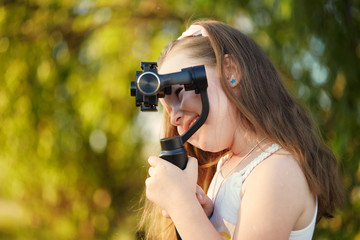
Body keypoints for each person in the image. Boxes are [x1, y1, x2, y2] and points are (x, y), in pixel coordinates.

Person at [139, 20, 344, 240]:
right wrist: (205, 217)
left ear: (230, 71)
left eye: (179, 92)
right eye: (167, 110)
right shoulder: (228, 165)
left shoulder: (276, 169)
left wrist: (181, 204)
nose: (175, 117)